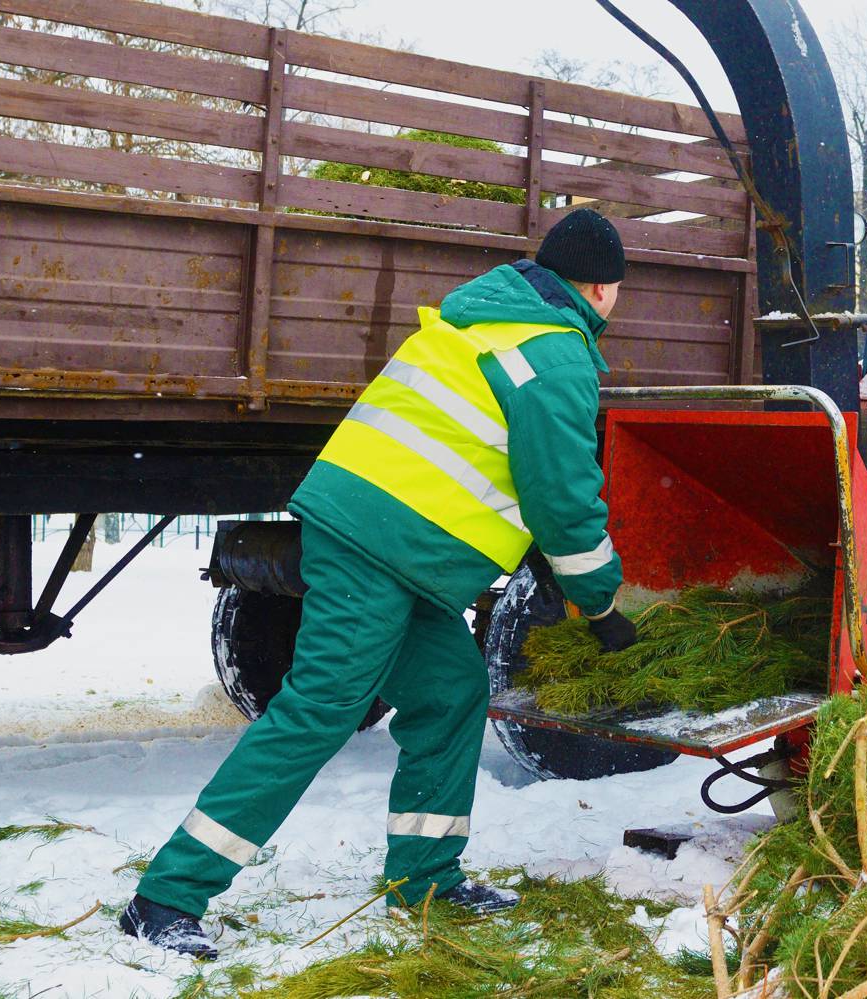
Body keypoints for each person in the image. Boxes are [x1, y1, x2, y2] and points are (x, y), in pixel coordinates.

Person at [120, 209, 639, 959]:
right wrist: (601, 603)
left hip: (387, 545)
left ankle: (425, 878)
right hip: (379, 550)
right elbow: (565, 502)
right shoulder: (554, 352)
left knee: (451, 689)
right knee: (320, 708)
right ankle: (166, 895)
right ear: (601, 288)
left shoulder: (481, 319)